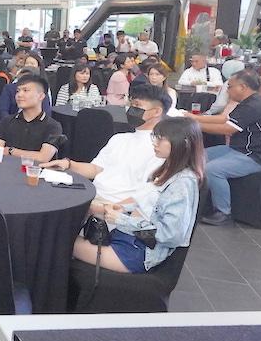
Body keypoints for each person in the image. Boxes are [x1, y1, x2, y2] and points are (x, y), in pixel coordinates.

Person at [71, 117, 203, 274]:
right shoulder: (167, 169)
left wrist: (122, 219)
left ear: (182, 143)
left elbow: (172, 235)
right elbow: (145, 201)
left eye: (161, 139)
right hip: (128, 237)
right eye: (155, 137)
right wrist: (112, 208)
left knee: (61, 243)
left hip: (138, 251)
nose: (155, 143)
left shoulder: (182, 183)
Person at [45, 83, 169, 214]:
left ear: (156, 111)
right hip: (92, 196)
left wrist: (108, 209)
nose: (131, 110)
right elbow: (95, 169)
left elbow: (147, 194)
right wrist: (68, 165)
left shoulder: (160, 149)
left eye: (137, 106)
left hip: (116, 208)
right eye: (131, 105)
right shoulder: (119, 138)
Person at [190, 71, 261, 225]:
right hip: (238, 150)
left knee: (212, 169)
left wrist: (194, 125)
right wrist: (195, 118)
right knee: (197, 156)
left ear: (243, 87)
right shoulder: (249, 102)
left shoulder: (254, 106)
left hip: (253, 157)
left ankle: (223, 211)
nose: (227, 91)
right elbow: (225, 120)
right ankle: (201, 200)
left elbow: (227, 129)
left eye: (230, 87)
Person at [0, 74, 62, 164]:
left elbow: (43, 157)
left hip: (36, 171)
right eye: (18, 91)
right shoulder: (6, 121)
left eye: (25, 90)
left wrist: (11, 151)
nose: (19, 95)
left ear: (41, 96)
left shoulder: (53, 126)